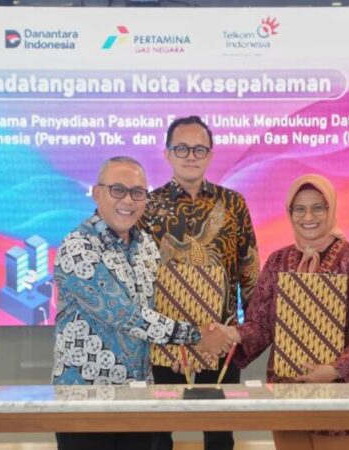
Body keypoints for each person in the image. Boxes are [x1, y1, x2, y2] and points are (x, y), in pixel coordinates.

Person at [52, 156, 234, 450]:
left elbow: (156, 311)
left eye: (137, 192)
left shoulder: (146, 246)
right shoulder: (78, 247)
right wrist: (196, 335)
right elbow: (126, 316)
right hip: (85, 400)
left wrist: (177, 352)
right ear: (97, 193)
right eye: (118, 190)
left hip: (138, 399)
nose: (128, 200)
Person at [218, 173, 349, 450]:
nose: (308, 216)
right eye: (299, 209)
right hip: (288, 396)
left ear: (331, 208)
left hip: (340, 400)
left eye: (318, 207)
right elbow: (260, 325)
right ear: (289, 212)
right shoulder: (278, 261)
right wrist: (230, 335)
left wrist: (333, 370)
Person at [140, 116, 261, 450]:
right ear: (167, 154)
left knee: (219, 432)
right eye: (182, 148)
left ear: (210, 154)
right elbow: (140, 277)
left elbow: (249, 269)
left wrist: (248, 335)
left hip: (220, 338)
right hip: (166, 341)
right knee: (158, 434)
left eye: (199, 149)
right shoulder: (147, 207)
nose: (190, 156)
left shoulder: (233, 204)